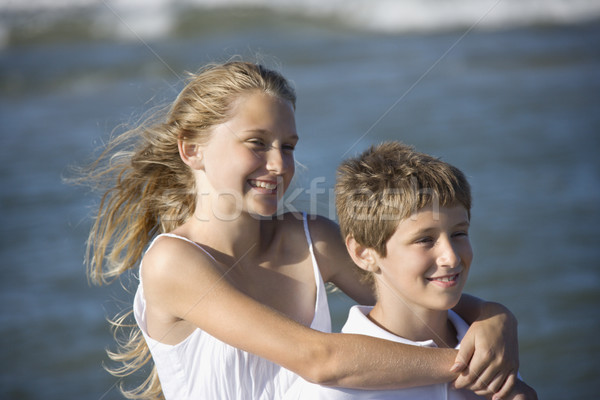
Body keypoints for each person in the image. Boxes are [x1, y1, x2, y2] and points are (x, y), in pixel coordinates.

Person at [81, 60, 521, 400]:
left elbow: (420, 296)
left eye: (287, 147)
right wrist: (467, 364)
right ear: (192, 149)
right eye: (256, 143)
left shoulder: (312, 239)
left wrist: (495, 318)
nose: (279, 165)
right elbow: (320, 359)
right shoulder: (173, 263)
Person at [284, 141, 537, 400]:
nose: (450, 257)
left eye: (459, 233)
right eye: (425, 240)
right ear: (363, 253)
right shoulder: (332, 391)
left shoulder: (491, 349)